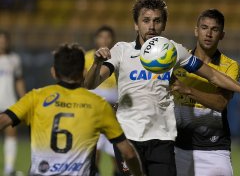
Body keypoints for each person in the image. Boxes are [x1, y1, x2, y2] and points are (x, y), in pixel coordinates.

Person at [84, 0, 240, 176]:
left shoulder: (173, 51)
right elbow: (90, 83)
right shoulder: (121, 50)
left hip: (162, 137)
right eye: (146, 20)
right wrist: (96, 63)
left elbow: (213, 75)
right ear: (136, 24)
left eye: (157, 21)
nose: (151, 26)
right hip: (128, 135)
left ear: (164, 24)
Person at [0, 43, 144, 176]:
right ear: (84, 72)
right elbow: (128, 153)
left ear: (53, 72)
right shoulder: (98, 105)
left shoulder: (36, 97)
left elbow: (3, 121)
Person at [173, 9, 240, 176]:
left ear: (222, 35)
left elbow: (221, 103)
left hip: (215, 151)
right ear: (196, 31)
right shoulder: (177, 62)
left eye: (214, 29)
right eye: (204, 28)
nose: (208, 33)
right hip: (178, 147)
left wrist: (188, 90)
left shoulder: (230, 66)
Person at [85, 25, 121, 176]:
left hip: (115, 114)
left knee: (117, 157)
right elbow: (84, 84)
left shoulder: (119, 57)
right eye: (101, 37)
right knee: (95, 154)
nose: (105, 40)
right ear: (95, 39)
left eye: (108, 37)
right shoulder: (87, 58)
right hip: (94, 115)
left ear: (113, 39)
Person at [0, 30, 26, 176]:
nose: (2, 42)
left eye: (5, 40)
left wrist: (23, 99)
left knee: (11, 133)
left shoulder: (14, 59)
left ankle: (9, 169)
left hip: (8, 102)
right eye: (0, 40)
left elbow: (19, 80)